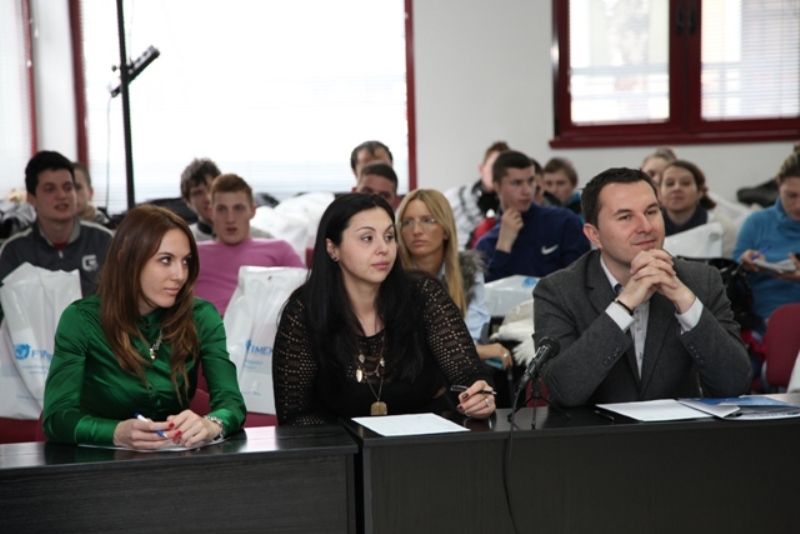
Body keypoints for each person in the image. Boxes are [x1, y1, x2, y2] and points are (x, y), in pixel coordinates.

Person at [534, 167, 751, 407]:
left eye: (651, 211)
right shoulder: (558, 290)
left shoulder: (701, 281)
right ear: (594, 235)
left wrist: (685, 302)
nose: (646, 226)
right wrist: (624, 305)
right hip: (595, 430)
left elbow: (735, 384)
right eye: (625, 217)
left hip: (677, 429)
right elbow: (563, 391)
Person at [272, 193, 494, 425]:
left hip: (422, 440)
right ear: (332, 248)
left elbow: (467, 373)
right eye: (367, 238)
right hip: (338, 445)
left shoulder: (424, 295)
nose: (383, 248)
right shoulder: (305, 311)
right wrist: (352, 442)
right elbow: (294, 415)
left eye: (389, 237)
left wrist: (480, 396)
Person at [42, 205, 246, 449]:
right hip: (96, 461)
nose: (180, 275)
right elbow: (56, 418)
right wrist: (115, 432)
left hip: (175, 458)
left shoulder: (200, 316)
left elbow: (231, 404)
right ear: (126, 258)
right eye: (165, 260)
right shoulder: (82, 320)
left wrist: (211, 425)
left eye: (186, 261)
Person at [396, 189, 512, 369]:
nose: (416, 230)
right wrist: (480, 351)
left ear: (445, 230)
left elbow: (470, 336)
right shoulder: (391, 275)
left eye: (428, 220)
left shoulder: (467, 272)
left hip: (456, 371)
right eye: (407, 222)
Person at [0, 151, 113, 296]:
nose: (62, 195)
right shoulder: (14, 251)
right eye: (50, 189)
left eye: (68, 187)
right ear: (31, 198)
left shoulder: (104, 241)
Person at [195, 173, 304, 316]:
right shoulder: (194, 253)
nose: (230, 218)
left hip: (264, 323)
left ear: (252, 211)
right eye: (222, 209)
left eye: (238, 208)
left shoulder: (280, 249)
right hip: (211, 324)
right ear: (211, 212)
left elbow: (307, 293)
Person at [475, 150, 589, 282]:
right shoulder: (486, 244)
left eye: (531, 181)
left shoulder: (564, 221)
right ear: (497, 186)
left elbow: (582, 280)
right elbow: (487, 292)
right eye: (516, 183)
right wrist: (503, 247)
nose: (527, 191)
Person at [734, 148, 800, 330]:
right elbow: (733, 278)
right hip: (764, 318)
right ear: (778, 186)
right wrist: (745, 262)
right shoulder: (757, 222)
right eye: (791, 195)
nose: (798, 205)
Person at [660, 159, 738, 257]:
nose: (676, 188)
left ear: (700, 192)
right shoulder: (648, 228)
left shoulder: (722, 228)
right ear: (659, 192)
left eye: (685, 183)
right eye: (669, 183)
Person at [444, 141, 509, 249]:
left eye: (504, 169)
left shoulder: (518, 204)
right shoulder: (454, 198)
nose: (498, 174)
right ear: (481, 168)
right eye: (494, 167)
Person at [180, 158, 220, 242]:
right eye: (198, 193)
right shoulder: (184, 241)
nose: (207, 198)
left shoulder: (248, 235)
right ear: (188, 202)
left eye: (212, 189)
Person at [72, 162, 111, 226]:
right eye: (67, 188)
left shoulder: (104, 226)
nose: (72, 194)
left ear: (90, 192)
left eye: (78, 187)